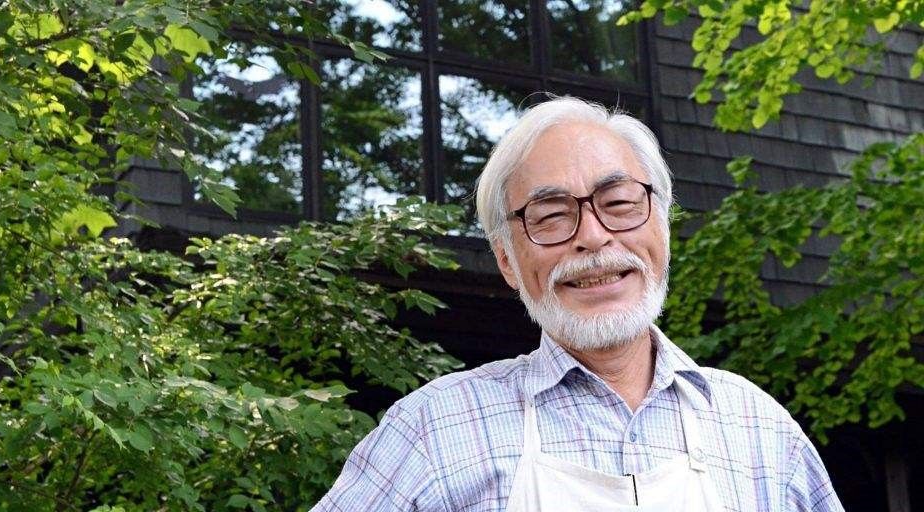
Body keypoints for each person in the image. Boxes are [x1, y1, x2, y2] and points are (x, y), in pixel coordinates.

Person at [311, 97, 843, 511]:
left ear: (662, 227)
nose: (592, 236)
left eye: (619, 203)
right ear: (507, 260)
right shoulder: (434, 430)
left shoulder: (758, 428)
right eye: (550, 216)